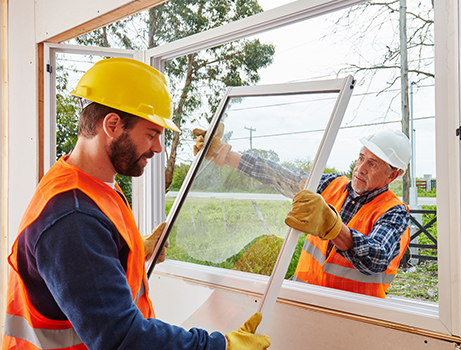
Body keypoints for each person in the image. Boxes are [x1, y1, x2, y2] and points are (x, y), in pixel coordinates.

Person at [2, 58, 270, 350]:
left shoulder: (90, 184)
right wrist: (220, 347)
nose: (157, 147)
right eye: (152, 134)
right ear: (113, 125)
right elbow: (121, 338)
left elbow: (85, 268)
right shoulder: (72, 217)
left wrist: (134, 251)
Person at [193, 124, 411, 298]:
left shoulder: (394, 213)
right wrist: (224, 155)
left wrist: (333, 227)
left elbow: (376, 257)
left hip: (352, 317)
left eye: (372, 164)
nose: (360, 168)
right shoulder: (330, 186)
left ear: (393, 175)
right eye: (361, 157)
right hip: (305, 300)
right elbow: (280, 176)